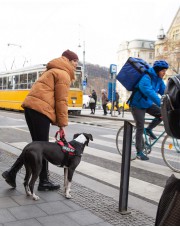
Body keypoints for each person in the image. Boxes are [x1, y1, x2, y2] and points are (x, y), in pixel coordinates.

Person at [2, 49, 79, 190]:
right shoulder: (63, 73)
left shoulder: (51, 70)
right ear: (67, 60)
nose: (76, 64)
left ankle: (13, 174)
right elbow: (61, 100)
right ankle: (42, 181)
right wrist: (62, 124)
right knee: (42, 147)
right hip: (40, 111)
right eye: (74, 61)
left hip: (31, 109)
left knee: (36, 146)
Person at [128, 60, 169, 161]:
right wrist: (161, 103)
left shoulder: (159, 80)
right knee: (140, 126)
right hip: (137, 105)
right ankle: (139, 152)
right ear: (158, 70)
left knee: (162, 114)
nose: (164, 73)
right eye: (163, 70)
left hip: (148, 104)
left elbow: (166, 92)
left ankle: (149, 129)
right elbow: (149, 92)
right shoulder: (146, 77)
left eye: (165, 70)